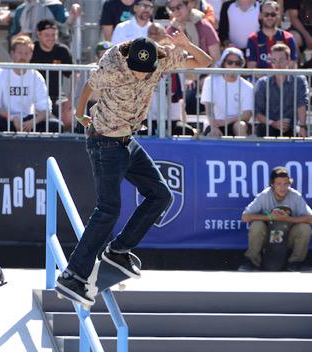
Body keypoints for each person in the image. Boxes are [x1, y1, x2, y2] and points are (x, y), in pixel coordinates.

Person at [56, 33, 213, 307]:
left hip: (128, 141)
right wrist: (81, 114)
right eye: (137, 71)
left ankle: (118, 250)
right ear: (128, 61)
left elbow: (206, 62)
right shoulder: (113, 65)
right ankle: (73, 274)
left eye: (146, 72)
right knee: (108, 209)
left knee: (161, 195)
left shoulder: (159, 60)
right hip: (104, 142)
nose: (141, 77)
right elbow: (87, 88)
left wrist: (187, 46)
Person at [239, 166, 312, 272]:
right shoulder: (265, 195)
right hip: (267, 236)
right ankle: (251, 261)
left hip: (287, 236)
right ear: (272, 184)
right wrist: (270, 217)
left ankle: (296, 262)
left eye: (286, 184)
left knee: (305, 228)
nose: (283, 187)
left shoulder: (295, 196)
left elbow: (311, 219)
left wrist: (287, 219)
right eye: (279, 184)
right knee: (256, 225)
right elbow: (245, 217)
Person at [0, 35, 60, 132]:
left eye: (26, 53)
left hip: (28, 120)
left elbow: (46, 109)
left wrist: (33, 122)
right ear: (12, 54)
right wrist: (12, 118)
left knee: (56, 125)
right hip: (7, 119)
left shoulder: (36, 76)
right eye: (20, 53)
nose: (23, 57)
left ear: (31, 55)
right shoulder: (2, 73)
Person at [253, 42, 308, 137]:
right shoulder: (263, 83)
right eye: (274, 60)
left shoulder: (299, 80)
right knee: (264, 129)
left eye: (281, 60)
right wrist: (273, 123)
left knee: (297, 131)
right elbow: (257, 112)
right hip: (269, 125)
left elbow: (301, 104)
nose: (277, 64)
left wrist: (302, 126)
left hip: (291, 126)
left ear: (288, 60)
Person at [200, 46, 253, 136]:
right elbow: (209, 109)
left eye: (237, 63)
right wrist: (215, 126)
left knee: (240, 126)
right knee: (213, 133)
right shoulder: (210, 81)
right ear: (223, 63)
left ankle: (241, 150)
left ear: (241, 65)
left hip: (237, 123)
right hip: (215, 123)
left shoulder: (248, 86)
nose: (233, 66)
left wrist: (227, 121)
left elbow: (246, 115)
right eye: (230, 62)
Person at [30, 18, 73, 126]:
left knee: (68, 117)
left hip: (56, 97)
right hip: (33, 97)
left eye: (53, 35)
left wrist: (70, 101)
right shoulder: (30, 50)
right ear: (38, 35)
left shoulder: (62, 51)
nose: (51, 38)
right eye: (47, 35)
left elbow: (74, 77)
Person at [245, 0, 296, 68]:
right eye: (266, 14)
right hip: (261, 78)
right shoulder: (253, 39)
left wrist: (277, 78)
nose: (270, 17)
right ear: (260, 16)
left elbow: (292, 65)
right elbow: (252, 68)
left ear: (278, 15)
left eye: (273, 14)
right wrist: (269, 78)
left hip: (283, 78)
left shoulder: (288, 38)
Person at [167, 0, 221, 64]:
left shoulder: (205, 26)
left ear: (189, 5)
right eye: (172, 9)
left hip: (206, 72)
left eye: (178, 7)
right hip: (180, 71)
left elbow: (216, 58)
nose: (176, 11)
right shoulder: (171, 30)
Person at [10, 0, 82, 41]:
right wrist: (23, 34)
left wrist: (72, 15)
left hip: (51, 55)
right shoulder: (20, 10)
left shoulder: (55, 7)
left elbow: (65, 27)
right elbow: (13, 39)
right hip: (28, 56)